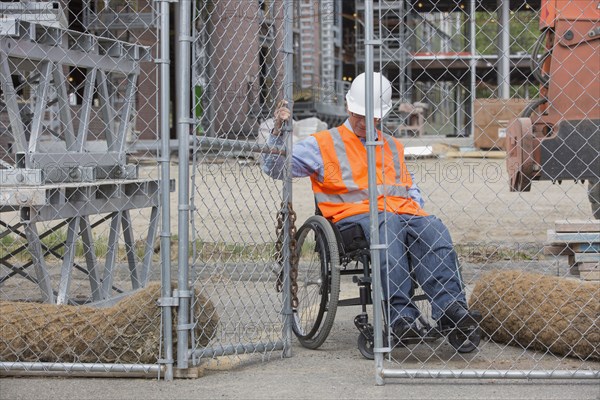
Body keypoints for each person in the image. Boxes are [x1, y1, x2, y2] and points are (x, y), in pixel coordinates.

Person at [262, 72, 478, 341]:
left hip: (400, 214)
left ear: (383, 114)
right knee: (388, 224)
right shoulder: (324, 144)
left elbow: (408, 187)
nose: (365, 122)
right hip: (352, 219)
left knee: (432, 227)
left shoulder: (392, 145)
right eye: (359, 115)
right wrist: (278, 132)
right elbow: (273, 167)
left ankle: (450, 309)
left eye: (372, 117)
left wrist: (415, 211)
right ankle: (401, 316)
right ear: (347, 105)